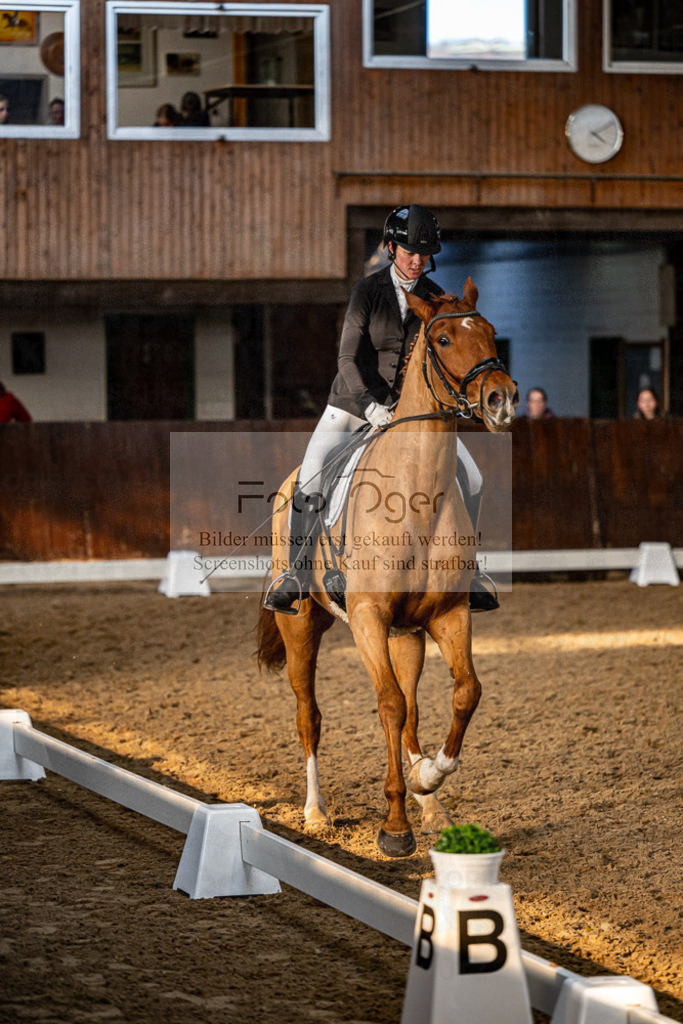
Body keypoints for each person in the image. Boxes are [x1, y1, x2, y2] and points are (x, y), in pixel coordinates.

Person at [264, 203, 497, 614]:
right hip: (353, 406)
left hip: (412, 414)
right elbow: (346, 360)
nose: (417, 261)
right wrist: (369, 406)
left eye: (424, 254)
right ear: (392, 248)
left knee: (473, 477)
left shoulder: (434, 298)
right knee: (311, 472)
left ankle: (471, 570)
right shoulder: (367, 292)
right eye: (409, 252)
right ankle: (295, 575)